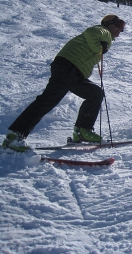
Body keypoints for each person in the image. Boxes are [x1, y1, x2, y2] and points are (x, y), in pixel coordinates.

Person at [2, 14, 125, 152]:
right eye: (119, 25)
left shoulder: (105, 36)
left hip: (73, 72)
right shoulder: (103, 31)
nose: (121, 29)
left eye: (122, 27)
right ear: (109, 24)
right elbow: (91, 33)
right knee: (47, 100)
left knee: (95, 94)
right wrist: (99, 48)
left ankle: (82, 132)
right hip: (69, 67)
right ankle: (15, 136)